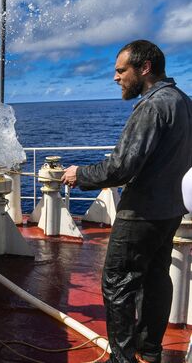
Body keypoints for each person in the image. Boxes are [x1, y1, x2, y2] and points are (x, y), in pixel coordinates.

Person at [62, 40, 192, 363]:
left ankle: (122, 359)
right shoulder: (184, 103)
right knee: (156, 278)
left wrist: (80, 174)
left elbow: (121, 167)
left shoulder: (151, 107)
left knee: (117, 284)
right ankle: (149, 353)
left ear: (144, 68)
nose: (115, 78)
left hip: (140, 214)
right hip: (171, 211)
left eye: (121, 70)